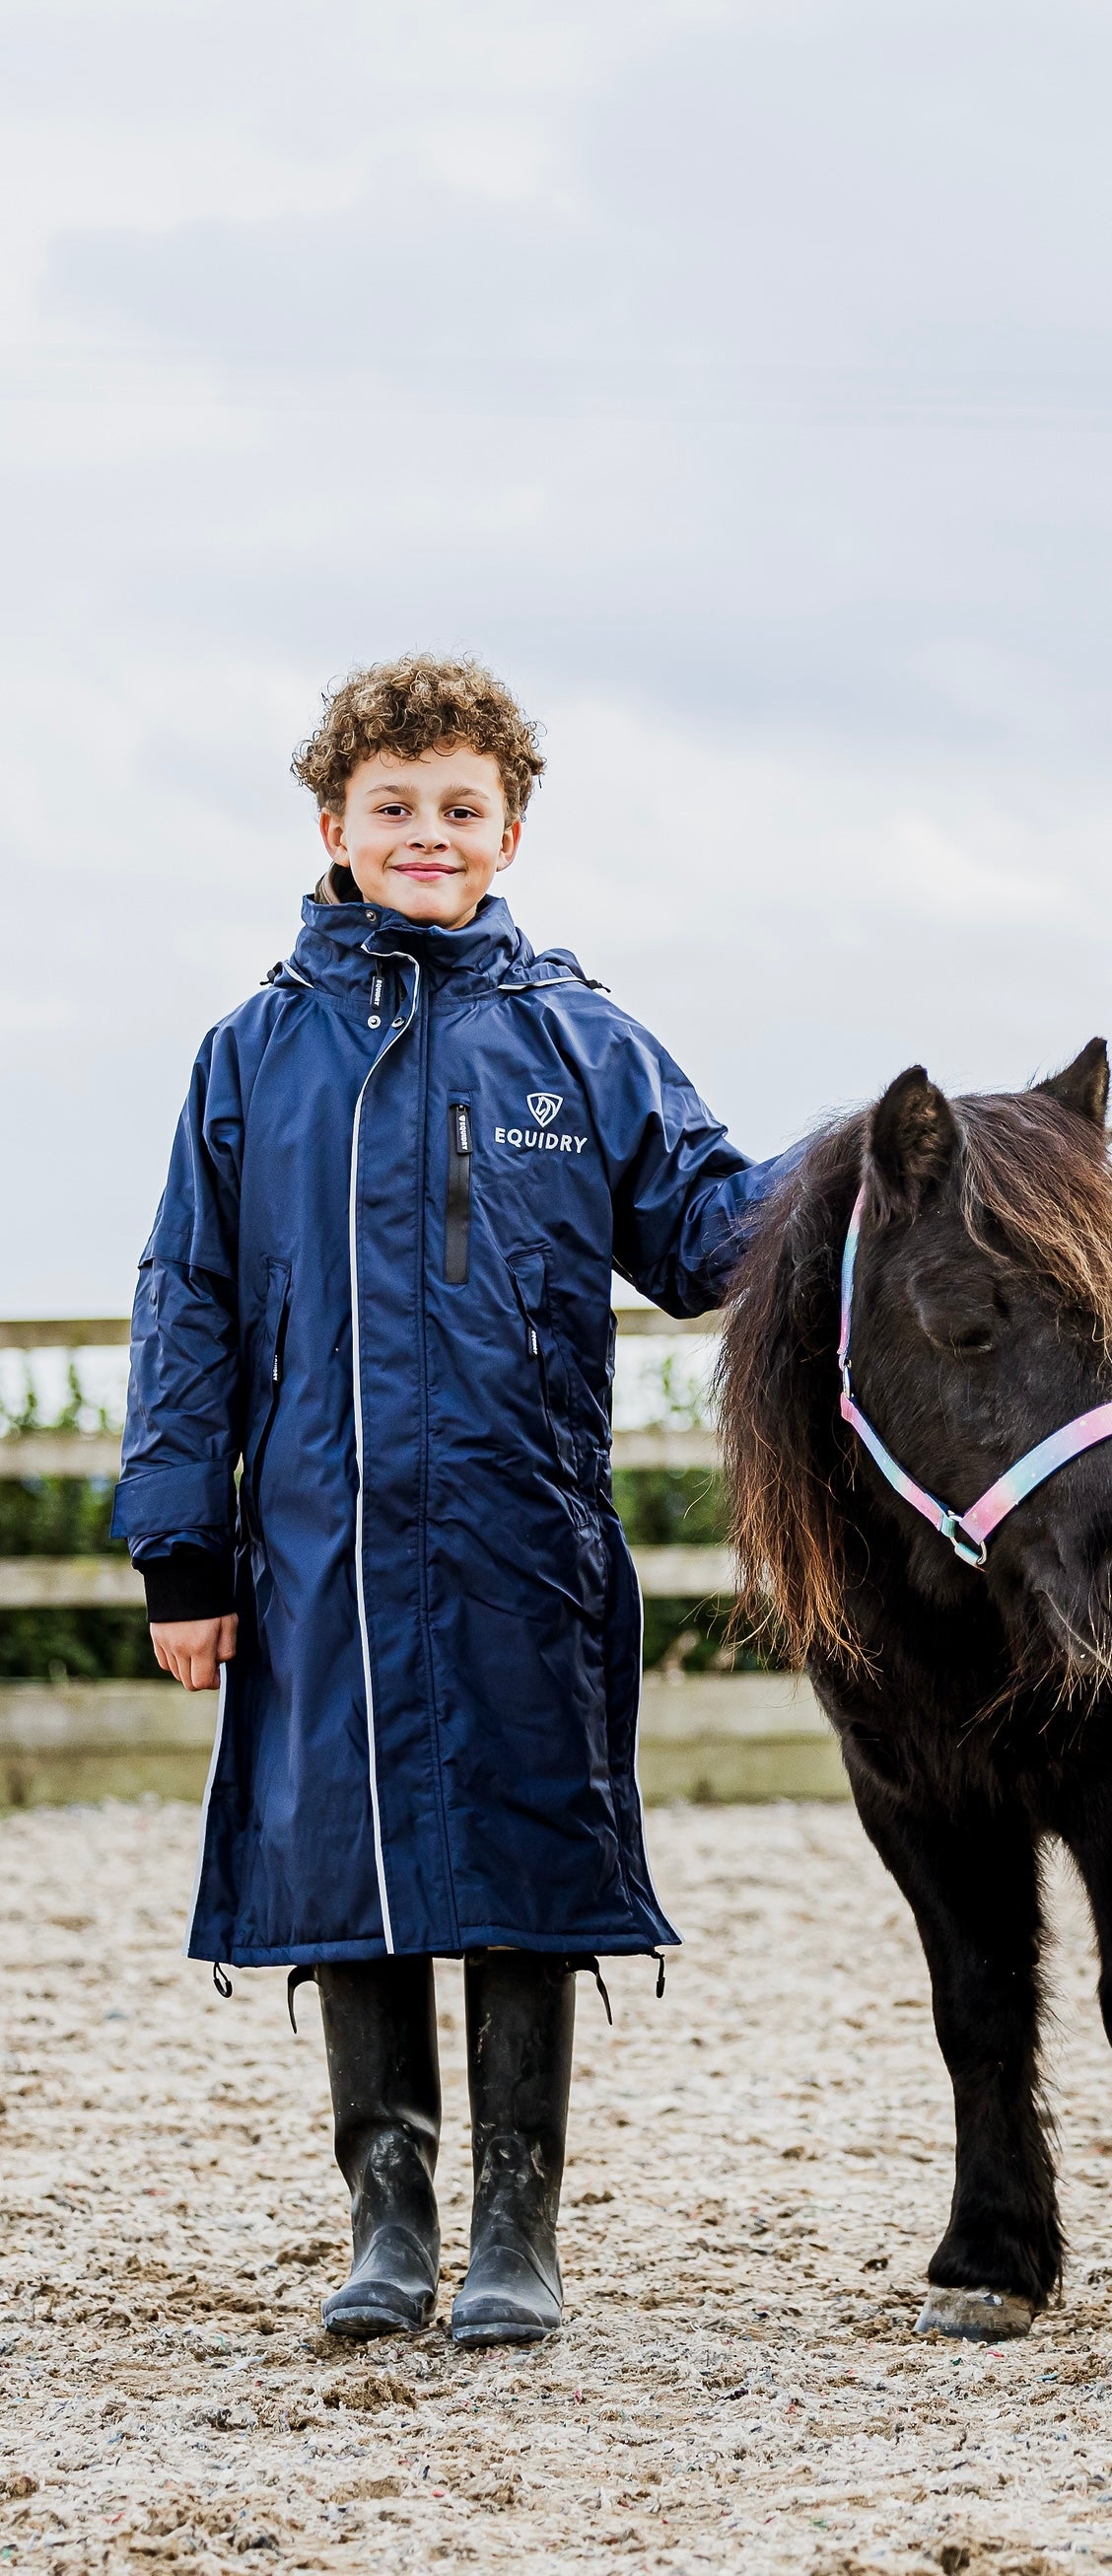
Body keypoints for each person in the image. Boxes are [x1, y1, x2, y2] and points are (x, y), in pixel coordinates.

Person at [113, 655, 788, 2347]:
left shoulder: (582, 1040)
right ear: (332, 824)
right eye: (393, 806)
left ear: (511, 830)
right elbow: (185, 1302)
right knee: (346, 1867)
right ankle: (388, 2222)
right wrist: (183, 1547)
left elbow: (713, 1234)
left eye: (462, 808)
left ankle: (517, 2230)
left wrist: (868, 1165)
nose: (429, 833)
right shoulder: (252, 1056)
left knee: (521, 1860)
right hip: (319, 1550)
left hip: (522, 1537)